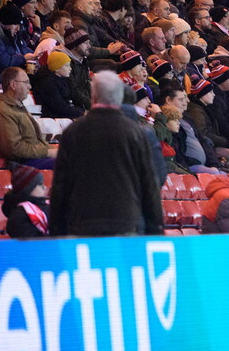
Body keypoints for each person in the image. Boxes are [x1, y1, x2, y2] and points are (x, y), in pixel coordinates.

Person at [49, 71, 163, 235]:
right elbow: (149, 183)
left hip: (82, 222)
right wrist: (155, 228)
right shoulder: (135, 132)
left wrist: (56, 228)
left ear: (94, 97)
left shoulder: (73, 132)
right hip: (125, 221)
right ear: (119, 98)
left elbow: (61, 183)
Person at [0, 67, 58, 169]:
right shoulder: (2, 111)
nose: (30, 86)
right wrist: (48, 152)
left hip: (32, 159)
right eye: (26, 82)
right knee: (67, 165)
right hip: (18, 164)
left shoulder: (17, 107)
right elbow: (15, 149)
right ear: (14, 85)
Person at [2, 165, 50, 237]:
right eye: (40, 184)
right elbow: (31, 244)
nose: (44, 187)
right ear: (28, 189)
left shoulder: (48, 206)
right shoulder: (20, 216)